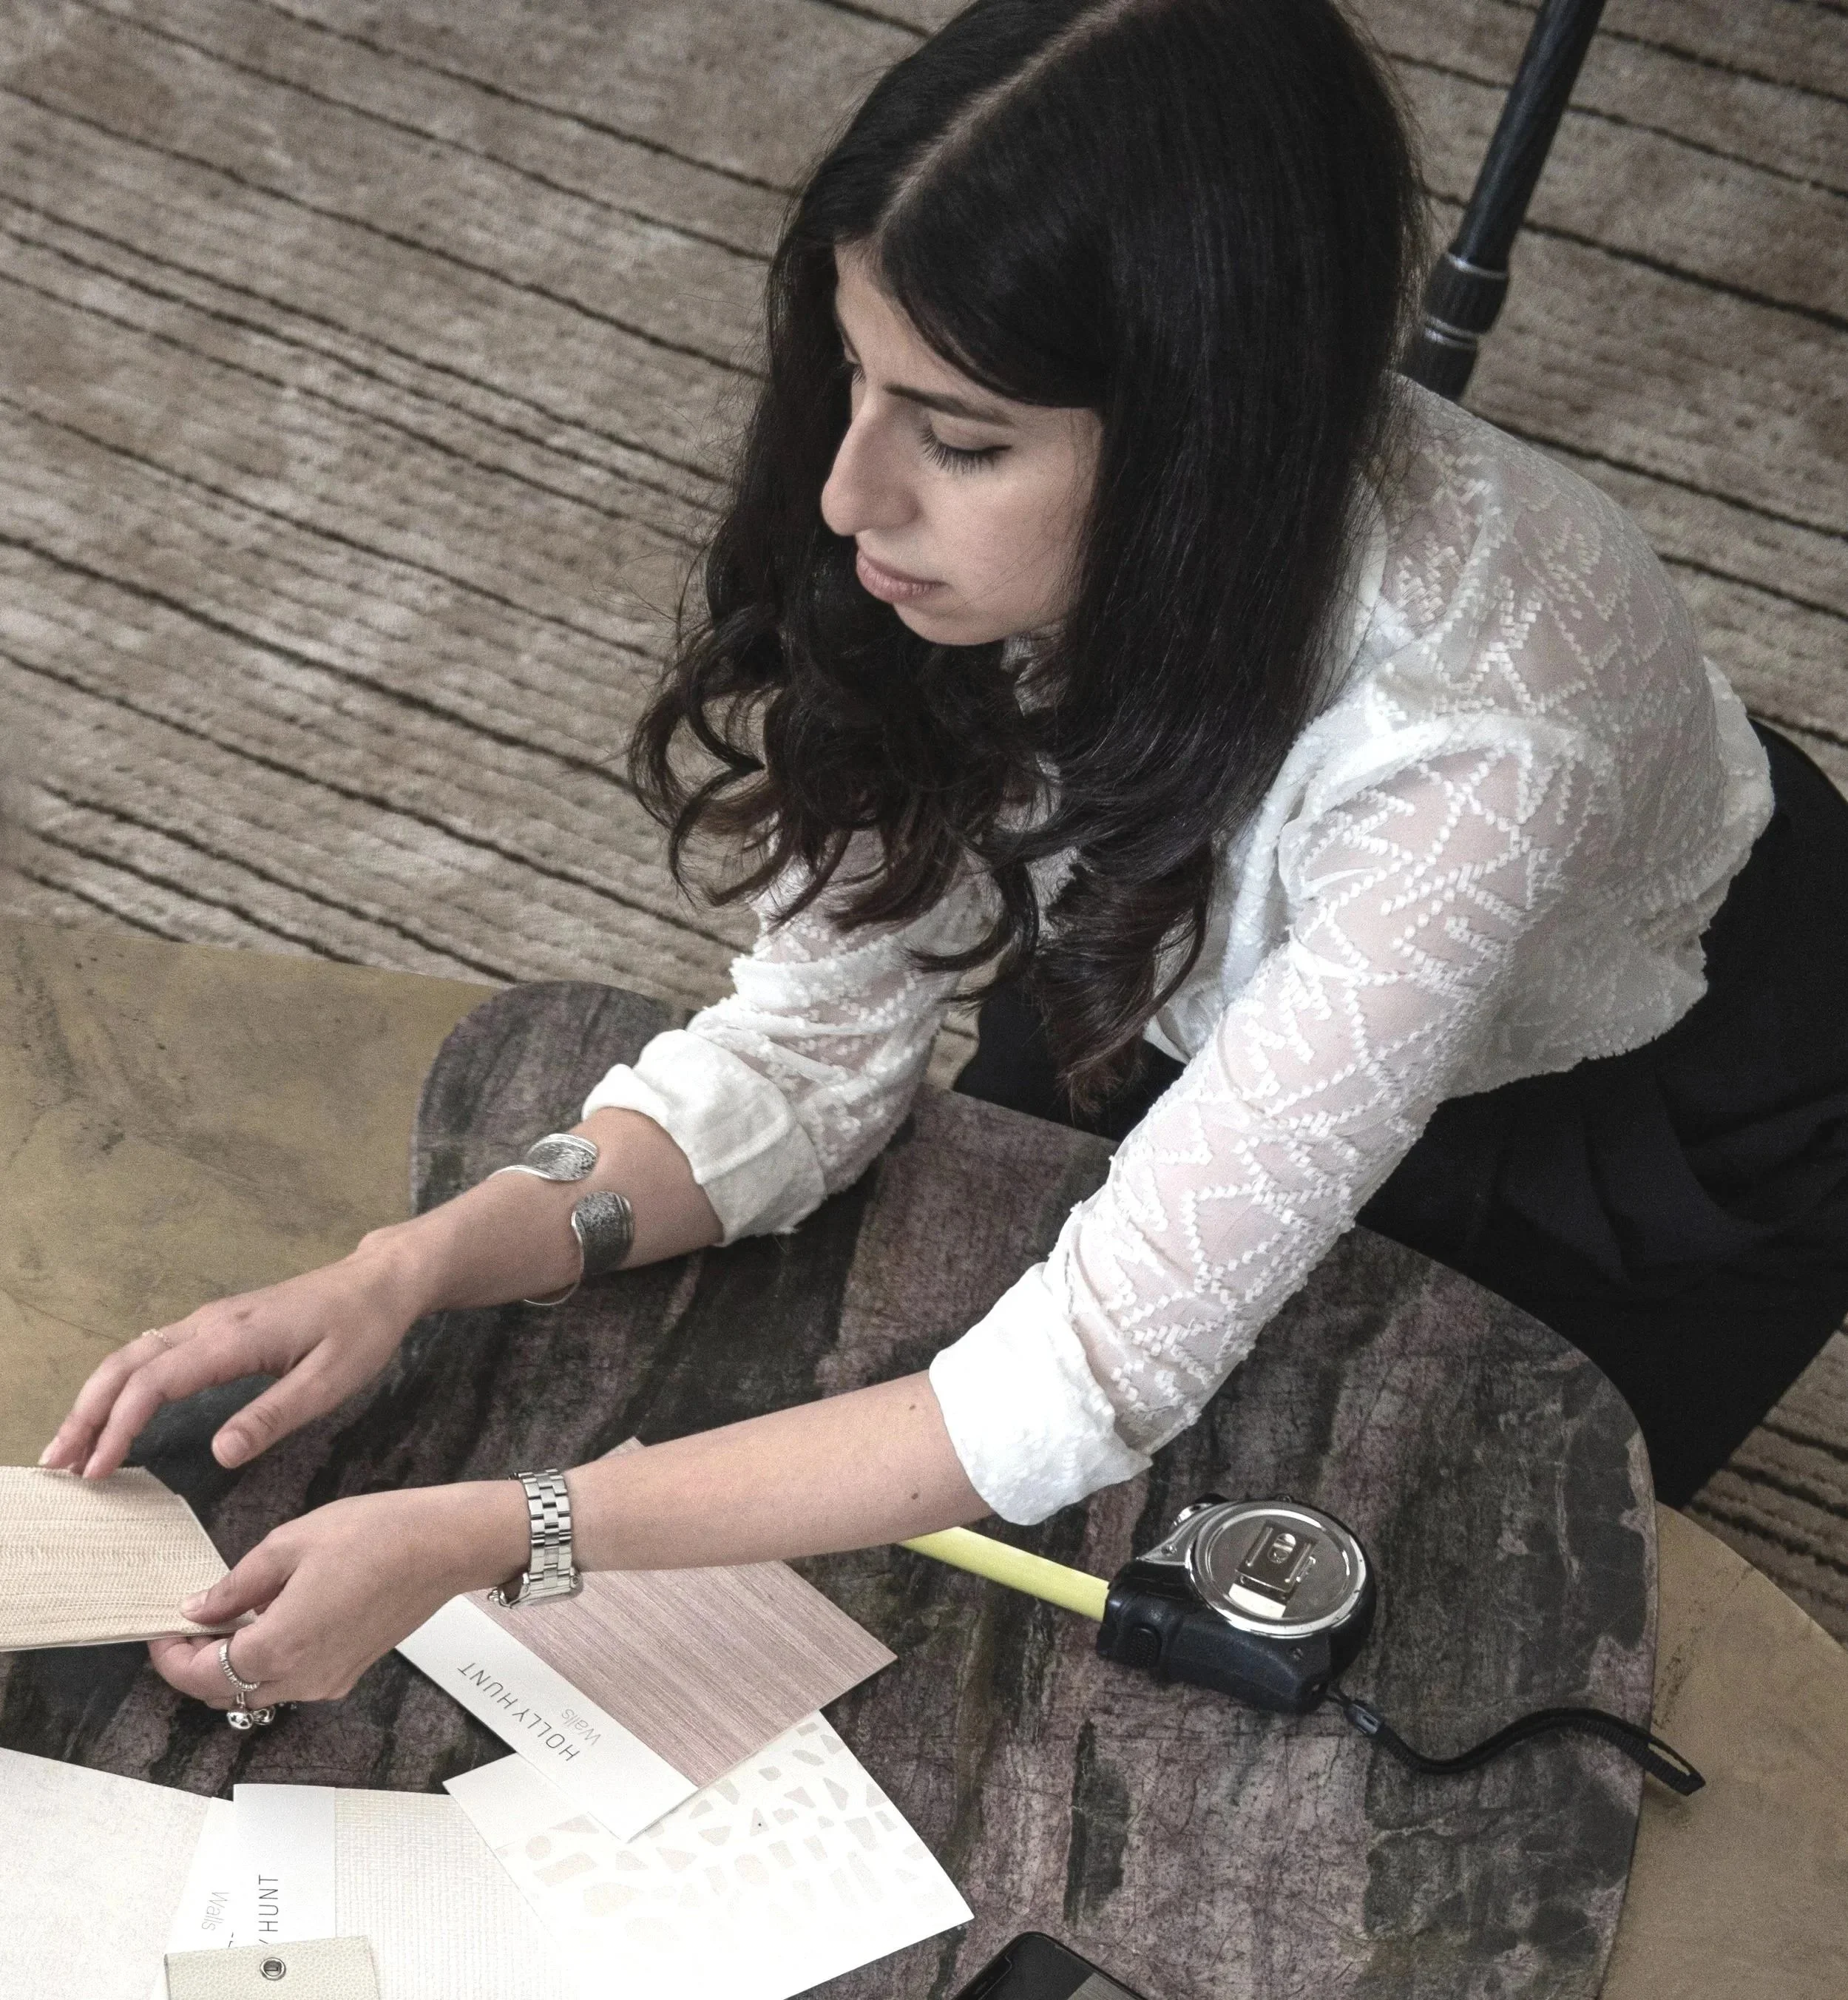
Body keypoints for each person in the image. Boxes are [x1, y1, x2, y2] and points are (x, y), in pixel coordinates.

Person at [38, 0, 1847, 1719]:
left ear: (1207, 455)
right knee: (959, 1537)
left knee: (1399, 1629)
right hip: (1177, 925)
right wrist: (415, 1264)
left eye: (959, 437)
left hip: (1637, 1131)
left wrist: (506, 1530)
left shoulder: (1473, 741)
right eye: (855, 379)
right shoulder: (979, 558)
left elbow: (1080, 1379)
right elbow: (811, 1051)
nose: (845, 494)